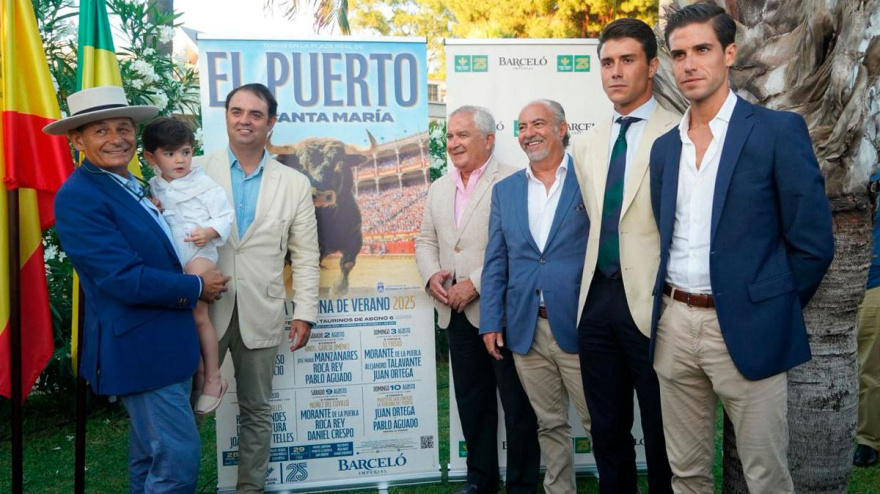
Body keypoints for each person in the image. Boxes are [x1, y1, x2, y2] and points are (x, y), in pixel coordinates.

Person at [649, 4, 835, 492]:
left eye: (702, 50)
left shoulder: (776, 132)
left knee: (766, 477)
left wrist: (771, 308)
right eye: (679, 54)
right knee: (686, 476)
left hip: (749, 327)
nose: (689, 64)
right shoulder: (664, 149)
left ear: (729, 53)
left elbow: (813, 244)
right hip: (674, 326)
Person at [47, 85, 229, 493]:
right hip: (141, 349)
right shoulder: (79, 196)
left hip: (167, 344)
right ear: (76, 139)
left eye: (124, 127)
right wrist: (197, 284)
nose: (117, 138)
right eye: (101, 131)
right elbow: (122, 278)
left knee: (153, 456)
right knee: (176, 462)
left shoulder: (135, 184)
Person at [196, 83, 320, 492]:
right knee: (188, 404)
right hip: (201, 310)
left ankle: (250, 489)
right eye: (236, 111)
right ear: (226, 116)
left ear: (271, 122)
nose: (244, 120)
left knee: (256, 409)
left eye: (254, 114)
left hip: (262, 310)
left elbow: (304, 255)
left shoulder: (294, 183)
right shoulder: (196, 170)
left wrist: (304, 311)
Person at [571, 18, 677, 494]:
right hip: (596, 302)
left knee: (661, 431)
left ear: (652, 66)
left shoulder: (677, 134)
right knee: (607, 429)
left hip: (653, 304)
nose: (615, 72)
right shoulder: (589, 142)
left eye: (627, 60)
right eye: (607, 62)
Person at [416, 105, 539, 494]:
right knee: (472, 404)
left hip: (500, 313)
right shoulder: (439, 185)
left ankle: (521, 485)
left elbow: (521, 245)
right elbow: (426, 240)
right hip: (454, 315)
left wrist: (475, 282)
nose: (453, 143)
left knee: (518, 407)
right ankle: (480, 482)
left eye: (462, 135)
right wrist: (431, 273)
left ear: (488, 139)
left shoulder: (515, 180)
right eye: (450, 136)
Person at [480, 100, 592, 494]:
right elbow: (496, 260)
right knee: (549, 423)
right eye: (522, 126)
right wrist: (491, 320)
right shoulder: (506, 191)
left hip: (580, 324)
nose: (529, 132)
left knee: (600, 422)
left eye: (538, 123)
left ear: (562, 128)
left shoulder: (590, 177)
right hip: (526, 328)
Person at [143, 117, 234, 414]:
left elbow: (225, 216)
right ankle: (195, 372)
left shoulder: (204, 184)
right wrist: (153, 208)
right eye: (169, 154)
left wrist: (209, 231)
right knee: (181, 317)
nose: (179, 160)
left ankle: (213, 377)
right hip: (172, 256)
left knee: (197, 312)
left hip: (199, 252)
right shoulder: (152, 187)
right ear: (151, 157)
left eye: (184, 152)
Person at [854, 172, 880, 467]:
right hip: (842, 282)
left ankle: (868, 439)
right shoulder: (856, 173)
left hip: (874, 281)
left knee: (869, 365)